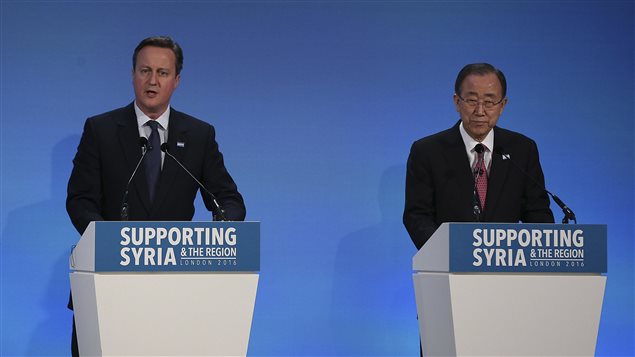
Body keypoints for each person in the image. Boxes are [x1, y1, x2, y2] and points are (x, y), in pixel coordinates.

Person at [66, 36, 246, 356]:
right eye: (145, 70)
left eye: (163, 73)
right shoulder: (101, 129)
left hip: (177, 291)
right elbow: (80, 199)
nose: (152, 80)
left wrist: (222, 228)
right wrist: (110, 241)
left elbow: (229, 199)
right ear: (133, 75)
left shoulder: (199, 135)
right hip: (108, 285)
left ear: (176, 81)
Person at [403, 63, 554, 250]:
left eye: (489, 102)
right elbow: (417, 216)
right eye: (472, 101)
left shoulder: (522, 150)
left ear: (502, 105)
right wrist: (445, 254)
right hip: (451, 267)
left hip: (507, 266)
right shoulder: (427, 151)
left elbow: (537, 214)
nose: (480, 111)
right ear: (457, 102)